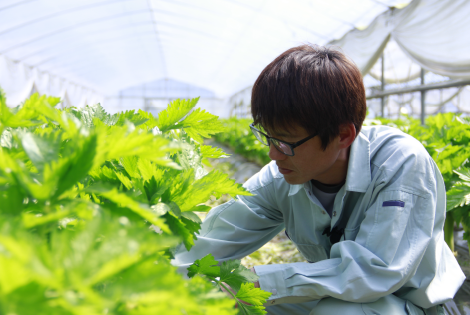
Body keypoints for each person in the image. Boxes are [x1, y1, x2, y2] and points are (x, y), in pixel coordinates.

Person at [173, 44, 465, 314]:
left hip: (414, 305)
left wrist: (258, 282)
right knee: (231, 304)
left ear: (343, 135)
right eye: (267, 137)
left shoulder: (400, 163)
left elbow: (372, 272)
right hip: (342, 296)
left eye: (286, 142)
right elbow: (210, 239)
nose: (273, 155)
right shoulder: (282, 176)